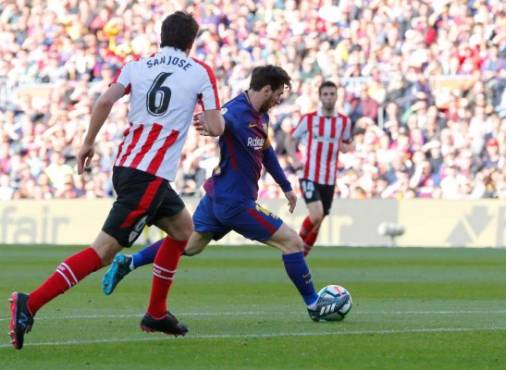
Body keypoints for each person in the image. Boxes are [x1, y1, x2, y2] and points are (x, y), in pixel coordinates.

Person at [8, 11, 225, 350]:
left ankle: (156, 312)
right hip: (149, 176)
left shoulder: (136, 65)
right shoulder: (201, 72)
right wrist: (205, 122)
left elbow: (105, 100)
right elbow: (217, 127)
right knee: (103, 252)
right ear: (191, 41)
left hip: (127, 167)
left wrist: (88, 141)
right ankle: (30, 303)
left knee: (184, 230)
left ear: (162, 37)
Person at [102, 66, 349, 321]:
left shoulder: (261, 116)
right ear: (266, 90)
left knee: (190, 244)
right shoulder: (233, 112)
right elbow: (216, 123)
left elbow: (266, 151)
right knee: (292, 242)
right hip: (235, 203)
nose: (278, 100)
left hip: (217, 197)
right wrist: (208, 125)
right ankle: (313, 303)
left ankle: (129, 262)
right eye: (277, 95)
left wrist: (285, 186)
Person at [286, 81, 353, 256]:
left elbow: (346, 144)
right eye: (326, 94)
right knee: (316, 215)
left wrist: (347, 148)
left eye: (332, 94)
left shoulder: (344, 122)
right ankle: (296, 245)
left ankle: (301, 256)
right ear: (320, 97)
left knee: (320, 219)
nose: (329, 97)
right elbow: (290, 140)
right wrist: (294, 159)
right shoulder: (309, 119)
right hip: (309, 174)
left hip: (330, 178)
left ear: (337, 96)